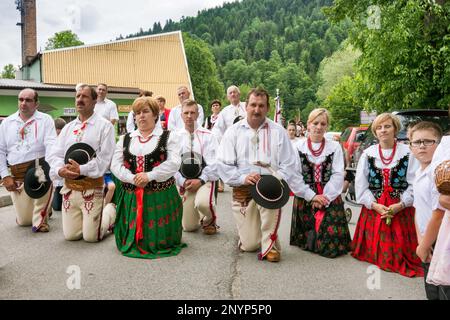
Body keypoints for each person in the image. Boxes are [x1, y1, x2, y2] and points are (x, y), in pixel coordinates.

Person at [216, 88, 309, 262]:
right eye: (253, 105)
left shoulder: (278, 131)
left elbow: (289, 163)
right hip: (243, 189)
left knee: (270, 189)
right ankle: (254, 232)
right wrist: (243, 177)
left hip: (269, 187)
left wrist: (276, 178)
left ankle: (270, 244)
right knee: (250, 245)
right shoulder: (233, 132)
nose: (257, 110)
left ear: (267, 108)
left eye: (261, 106)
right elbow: (223, 165)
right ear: (246, 106)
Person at [111, 97, 186, 259]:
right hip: (131, 195)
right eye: (137, 113)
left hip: (160, 195)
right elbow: (115, 166)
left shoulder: (168, 137)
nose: (141, 116)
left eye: (146, 111)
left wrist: (150, 176)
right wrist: (133, 178)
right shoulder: (125, 139)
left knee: (160, 240)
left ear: (155, 115)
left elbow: (174, 163)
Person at [351, 113, 423, 277]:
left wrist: (401, 204)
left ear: (395, 129)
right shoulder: (368, 154)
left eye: (387, 126)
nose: (383, 130)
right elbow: (361, 185)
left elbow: (414, 184)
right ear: (375, 131)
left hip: (401, 209)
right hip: (374, 209)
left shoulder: (408, 153)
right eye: (379, 127)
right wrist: (374, 205)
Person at [48, 84, 116, 242]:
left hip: (92, 187)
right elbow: (55, 153)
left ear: (94, 101)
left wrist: (82, 169)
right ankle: (90, 220)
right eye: (77, 96)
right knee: (71, 236)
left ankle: (110, 211)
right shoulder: (68, 128)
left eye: (84, 96)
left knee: (92, 237)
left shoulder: (105, 126)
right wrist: (59, 170)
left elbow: (105, 159)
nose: (79, 100)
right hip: (70, 188)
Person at [290, 108, 351, 258]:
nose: (319, 127)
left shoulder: (334, 147)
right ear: (308, 125)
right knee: (310, 241)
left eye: (323, 123)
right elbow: (294, 176)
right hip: (306, 197)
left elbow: (337, 174)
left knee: (332, 247)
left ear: (327, 126)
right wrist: (312, 196)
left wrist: (325, 197)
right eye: (315, 123)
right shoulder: (297, 147)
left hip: (329, 196)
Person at [0, 88, 57, 232]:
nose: (23, 103)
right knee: (24, 221)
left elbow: (51, 145)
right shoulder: (7, 123)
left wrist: (52, 170)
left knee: (37, 222)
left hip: (39, 170)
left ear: (36, 103)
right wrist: (5, 176)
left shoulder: (45, 120)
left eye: (28, 100)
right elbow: (0, 150)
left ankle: (42, 216)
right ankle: (44, 209)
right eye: (21, 99)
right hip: (17, 173)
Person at [408, 122, 443, 299]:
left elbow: (439, 213)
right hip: (426, 240)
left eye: (429, 141)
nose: (422, 146)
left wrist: (425, 244)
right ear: (411, 146)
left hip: (440, 242)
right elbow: (418, 209)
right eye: (417, 142)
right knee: (431, 290)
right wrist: (421, 240)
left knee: (442, 290)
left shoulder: (438, 174)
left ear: (439, 144)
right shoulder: (418, 173)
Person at [175, 99, 219, 235]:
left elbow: (215, 164)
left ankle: (210, 218)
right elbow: (171, 166)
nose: (189, 116)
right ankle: (199, 214)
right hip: (186, 182)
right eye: (186, 113)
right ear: (181, 115)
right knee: (189, 227)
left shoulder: (209, 136)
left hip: (204, 180)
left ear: (198, 114)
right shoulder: (174, 137)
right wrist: (182, 182)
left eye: (192, 112)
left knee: (203, 204)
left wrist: (201, 180)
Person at [95, 83, 119, 206]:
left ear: (106, 92)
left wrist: (102, 130)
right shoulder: (92, 103)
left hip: (106, 137)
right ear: (96, 90)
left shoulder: (111, 104)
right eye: (99, 89)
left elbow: (113, 120)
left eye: (103, 90)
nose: (101, 91)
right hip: (93, 139)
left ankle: (107, 204)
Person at [204, 99, 224, 192]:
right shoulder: (208, 119)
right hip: (210, 143)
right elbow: (205, 130)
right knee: (211, 161)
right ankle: (213, 182)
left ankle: (222, 184)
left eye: (217, 105)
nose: (215, 106)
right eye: (213, 105)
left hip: (220, 142)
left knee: (220, 162)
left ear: (220, 107)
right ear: (211, 108)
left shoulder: (222, 117)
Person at [51, 117, 67, 212]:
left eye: (62, 129)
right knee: (56, 207)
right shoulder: (51, 139)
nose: (60, 131)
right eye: (58, 129)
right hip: (55, 173)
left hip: (65, 173)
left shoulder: (66, 138)